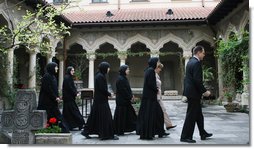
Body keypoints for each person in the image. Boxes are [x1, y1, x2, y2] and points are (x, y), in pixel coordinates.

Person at [180, 45, 212, 143]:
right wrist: (205, 91)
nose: (204, 55)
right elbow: (197, 80)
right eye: (203, 53)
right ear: (198, 52)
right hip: (194, 93)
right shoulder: (196, 63)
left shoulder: (190, 62)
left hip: (191, 92)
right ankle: (185, 137)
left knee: (198, 114)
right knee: (191, 115)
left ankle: (202, 133)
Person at [81, 62, 119, 140]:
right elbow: (102, 89)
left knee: (95, 116)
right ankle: (106, 134)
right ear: (104, 68)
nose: (109, 69)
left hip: (99, 100)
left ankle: (86, 131)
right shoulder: (100, 76)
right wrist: (109, 94)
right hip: (101, 101)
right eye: (108, 68)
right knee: (105, 117)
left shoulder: (99, 75)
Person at [136, 57, 169, 140]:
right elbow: (150, 83)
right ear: (154, 62)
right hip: (150, 98)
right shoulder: (150, 71)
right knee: (154, 115)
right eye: (157, 62)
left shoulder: (149, 70)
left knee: (158, 115)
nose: (158, 63)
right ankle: (150, 133)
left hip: (150, 97)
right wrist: (156, 89)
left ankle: (160, 132)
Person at [37, 62, 69, 133]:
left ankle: (56, 129)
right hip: (47, 102)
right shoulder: (47, 76)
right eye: (56, 67)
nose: (57, 68)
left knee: (54, 116)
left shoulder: (53, 76)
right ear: (51, 68)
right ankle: (61, 130)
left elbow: (54, 88)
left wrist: (57, 96)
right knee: (54, 116)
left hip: (52, 101)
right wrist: (55, 97)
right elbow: (48, 89)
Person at [113, 65, 137, 135]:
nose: (129, 70)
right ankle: (120, 130)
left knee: (128, 116)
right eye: (127, 69)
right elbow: (123, 90)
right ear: (124, 70)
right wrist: (130, 97)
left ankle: (127, 128)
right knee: (122, 116)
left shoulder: (123, 78)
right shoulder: (121, 79)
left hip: (125, 101)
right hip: (122, 101)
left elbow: (127, 89)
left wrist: (131, 95)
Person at [62, 66, 85, 131]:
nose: (73, 72)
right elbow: (69, 88)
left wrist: (76, 92)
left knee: (70, 112)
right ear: (69, 71)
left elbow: (72, 87)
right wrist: (75, 93)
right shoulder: (67, 78)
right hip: (68, 99)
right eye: (72, 70)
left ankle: (72, 125)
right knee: (73, 111)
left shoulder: (68, 78)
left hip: (69, 98)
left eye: (73, 70)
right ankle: (79, 123)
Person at [155, 63, 177, 130]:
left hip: (159, 96)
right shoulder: (153, 74)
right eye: (160, 68)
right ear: (156, 68)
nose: (161, 70)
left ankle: (168, 124)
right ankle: (166, 125)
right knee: (161, 110)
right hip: (156, 96)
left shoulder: (156, 75)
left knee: (163, 110)